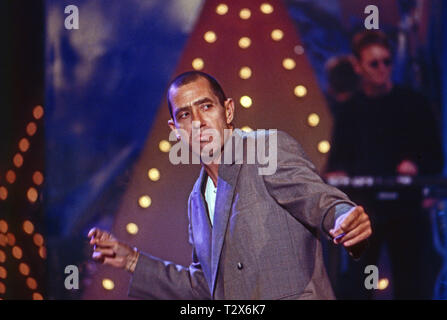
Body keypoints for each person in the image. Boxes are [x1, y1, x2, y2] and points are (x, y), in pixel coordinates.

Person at [88, 71, 372, 300]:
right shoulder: (196, 201)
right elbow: (205, 286)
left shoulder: (265, 149)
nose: (198, 123)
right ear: (175, 131)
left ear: (228, 110)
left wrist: (344, 215)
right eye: (185, 115)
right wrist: (132, 261)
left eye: (206, 107)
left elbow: (317, 200)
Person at [326, 30, 444, 299]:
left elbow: (436, 159)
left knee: (413, 284)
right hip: (365, 208)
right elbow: (337, 163)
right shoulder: (350, 110)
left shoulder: (414, 104)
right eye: (374, 63)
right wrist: (338, 177)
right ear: (358, 66)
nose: (382, 69)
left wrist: (415, 167)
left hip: (407, 208)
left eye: (387, 62)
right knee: (356, 284)